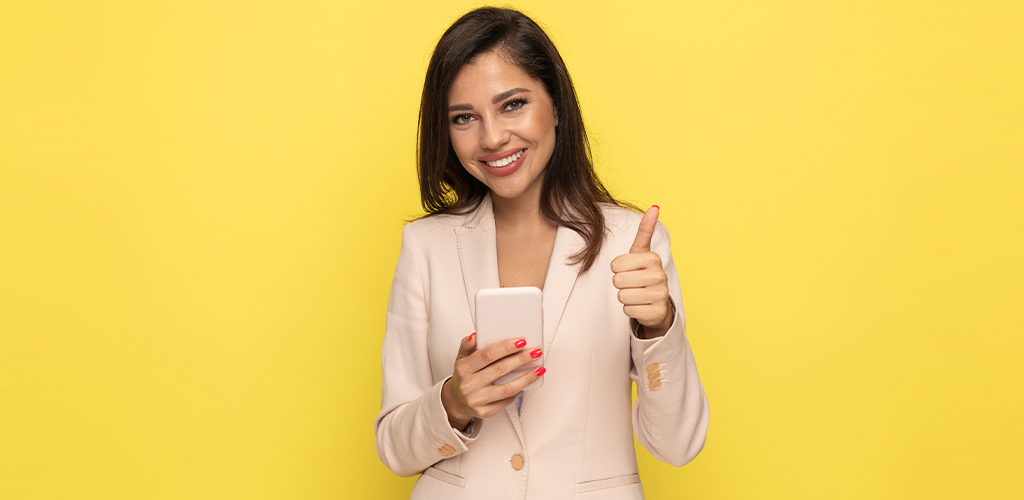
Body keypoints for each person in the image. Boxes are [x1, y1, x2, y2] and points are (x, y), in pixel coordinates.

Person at [374, 7, 709, 499]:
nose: (491, 138)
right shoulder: (427, 246)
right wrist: (454, 401)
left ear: (555, 105)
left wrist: (659, 328)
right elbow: (394, 449)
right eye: (464, 118)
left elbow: (677, 445)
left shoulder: (631, 242)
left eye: (512, 104)